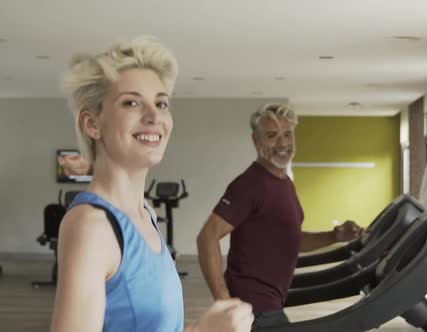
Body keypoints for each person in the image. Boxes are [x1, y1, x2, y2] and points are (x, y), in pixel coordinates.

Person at [50, 37, 253, 332]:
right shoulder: (92, 227)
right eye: (131, 102)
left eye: (161, 103)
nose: (154, 116)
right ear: (92, 123)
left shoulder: (146, 213)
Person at [197, 104, 364, 329]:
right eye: (272, 136)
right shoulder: (250, 184)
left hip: (269, 304)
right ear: (256, 141)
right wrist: (224, 303)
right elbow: (207, 236)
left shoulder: (284, 182)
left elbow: (291, 239)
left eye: (287, 135)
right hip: (256, 308)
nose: (283, 143)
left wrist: (335, 236)